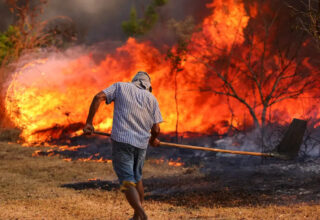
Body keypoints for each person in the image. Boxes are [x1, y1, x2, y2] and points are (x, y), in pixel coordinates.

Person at [83, 71, 163, 220]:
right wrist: (153, 139)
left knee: (127, 180)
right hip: (141, 145)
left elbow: (98, 97)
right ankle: (136, 217)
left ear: (134, 81)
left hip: (122, 142)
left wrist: (89, 123)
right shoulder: (152, 99)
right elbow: (156, 129)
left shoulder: (120, 87)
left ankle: (142, 215)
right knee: (137, 178)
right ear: (148, 86)